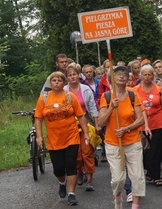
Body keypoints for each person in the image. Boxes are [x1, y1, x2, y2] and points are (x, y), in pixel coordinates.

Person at [35, 71, 90, 206]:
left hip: (71, 136)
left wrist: (86, 133)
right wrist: (39, 137)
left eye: (59, 80)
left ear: (63, 82)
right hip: (54, 139)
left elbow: (81, 116)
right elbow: (38, 118)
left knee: (71, 164)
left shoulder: (70, 96)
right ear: (50, 83)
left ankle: (71, 193)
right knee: (58, 168)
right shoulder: (44, 98)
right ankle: (62, 182)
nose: (57, 82)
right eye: (54, 80)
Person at [97, 65, 147, 209]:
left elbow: (141, 119)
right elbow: (100, 122)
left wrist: (127, 128)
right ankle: (118, 195)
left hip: (132, 141)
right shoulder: (106, 97)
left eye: (124, 73)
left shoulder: (132, 94)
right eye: (118, 74)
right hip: (113, 142)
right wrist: (111, 108)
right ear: (111, 78)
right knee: (118, 179)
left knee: (137, 176)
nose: (122, 76)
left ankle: (135, 205)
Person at [64, 64, 99, 192]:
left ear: (78, 75)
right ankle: (79, 172)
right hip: (70, 125)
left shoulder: (85, 89)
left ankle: (89, 179)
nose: (72, 77)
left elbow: (92, 106)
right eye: (70, 75)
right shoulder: (64, 91)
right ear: (67, 77)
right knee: (76, 154)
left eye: (74, 74)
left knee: (87, 151)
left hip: (86, 122)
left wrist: (97, 123)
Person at [134, 64, 162, 187]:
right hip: (142, 125)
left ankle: (156, 176)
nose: (148, 77)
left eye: (150, 74)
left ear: (153, 76)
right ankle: (150, 170)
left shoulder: (159, 90)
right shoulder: (135, 90)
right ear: (141, 76)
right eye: (145, 74)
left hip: (158, 123)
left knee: (157, 151)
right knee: (145, 152)